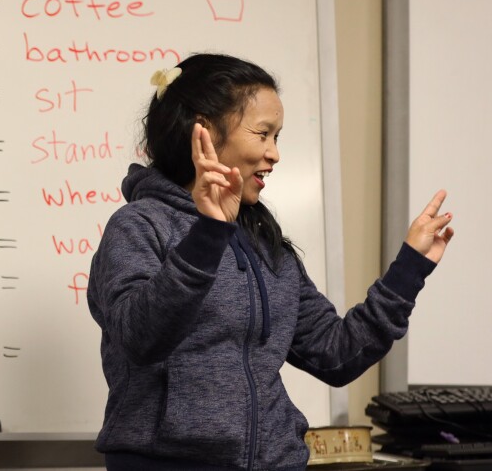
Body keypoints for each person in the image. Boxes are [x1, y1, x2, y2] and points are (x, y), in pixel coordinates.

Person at [87, 53, 454, 470]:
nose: (275, 154)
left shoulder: (263, 241)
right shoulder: (138, 226)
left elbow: (336, 355)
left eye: (277, 137)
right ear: (203, 132)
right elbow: (140, 337)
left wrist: (409, 269)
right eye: (263, 134)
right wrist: (207, 236)